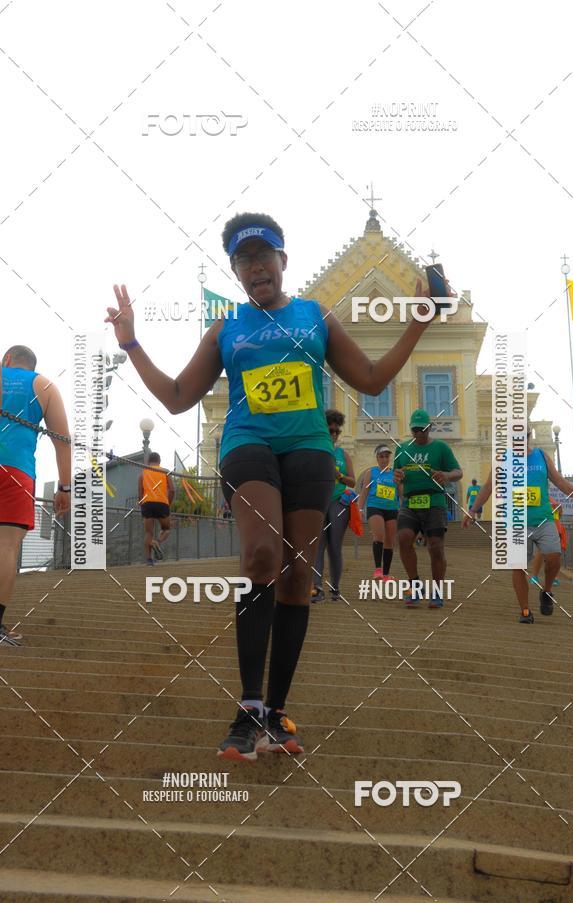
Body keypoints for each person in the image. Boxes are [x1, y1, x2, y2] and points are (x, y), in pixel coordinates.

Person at [106, 211, 435, 761]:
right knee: (261, 555)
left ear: (283, 261)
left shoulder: (314, 315)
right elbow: (178, 397)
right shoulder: (227, 327)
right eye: (244, 259)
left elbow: (372, 378)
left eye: (264, 256)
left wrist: (419, 323)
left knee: (297, 574)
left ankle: (276, 712)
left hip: (308, 449)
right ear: (236, 270)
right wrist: (132, 343)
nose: (256, 266)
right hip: (248, 443)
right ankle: (249, 707)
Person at [463, 426, 573, 623]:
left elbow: (561, 483)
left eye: (523, 436)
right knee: (518, 567)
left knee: (554, 557)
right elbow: (488, 487)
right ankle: (525, 610)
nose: (519, 440)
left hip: (544, 519)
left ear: (529, 436)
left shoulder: (541, 456)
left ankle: (546, 591)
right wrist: (473, 510)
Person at [0, 346, 70, 646]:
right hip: (16, 471)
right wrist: (64, 488)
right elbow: (63, 441)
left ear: (7, 359)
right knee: (6, 547)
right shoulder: (44, 386)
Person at [394, 408, 463, 608]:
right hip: (410, 501)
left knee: (435, 547)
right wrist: (397, 478)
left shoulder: (441, 448)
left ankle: (437, 591)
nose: (418, 433)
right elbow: (396, 475)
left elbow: (458, 472)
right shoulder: (402, 449)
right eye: (415, 429)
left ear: (429, 428)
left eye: (422, 429)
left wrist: (446, 475)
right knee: (404, 539)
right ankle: (415, 585)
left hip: (434, 501)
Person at [311, 410, 355, 602]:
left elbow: (352, 481)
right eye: (331, 430)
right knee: (318, 546)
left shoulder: (343, 454)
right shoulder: (315, 450)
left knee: (335, 546)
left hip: (338, 501)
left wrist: (340, 476)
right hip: (318, 501)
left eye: (337, 431)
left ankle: (335, 587)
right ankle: (317, 587)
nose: (335, 434)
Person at [358, 444, 399, 583]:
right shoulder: (371, 472)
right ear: (377, 458)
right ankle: (378, 570)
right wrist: (359, 509)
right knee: (379, 535)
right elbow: (364, 491)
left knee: (390, 541)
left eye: (386, 456)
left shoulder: (394, 474)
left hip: (392, 508)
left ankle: (386, 575)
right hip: (375, 506)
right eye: (381, 456)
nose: (384, 459)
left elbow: (401, 493)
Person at [139, 452, 174, 564]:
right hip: (162, 503)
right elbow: (172, 490)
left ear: (149, 461)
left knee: (148, 533)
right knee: (166, 529)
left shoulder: (142, 474)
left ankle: (149, 560)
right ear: (159, 461)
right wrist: (168, 503)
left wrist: (142, 506)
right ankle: (157, 542)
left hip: (147, 503)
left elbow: (140, 495)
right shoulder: (165, 472)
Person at [530, 496, 565, 588]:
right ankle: (535, 576)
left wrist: (559, 509)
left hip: (554, 527)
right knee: (540, 551)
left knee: (555, 553)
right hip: (542, 526)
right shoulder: (539, 496)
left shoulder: (551, 499)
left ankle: (553, 577)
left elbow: (559, 514)